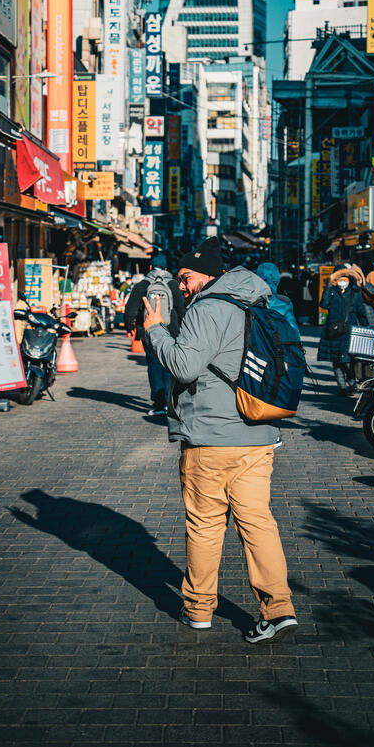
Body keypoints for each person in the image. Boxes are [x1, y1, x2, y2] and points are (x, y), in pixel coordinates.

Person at [142, 236, 297, 644]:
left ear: (208, 274)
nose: (182, 286)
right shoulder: (257, 302)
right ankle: (278, 608)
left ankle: (198, 610)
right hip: (258, 433)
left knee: (206, 525)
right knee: (258, 522)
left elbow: (184, 365)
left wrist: (156, 330)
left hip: (211, 438)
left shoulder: (208, 308)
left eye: (186, 277)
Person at [124, 254, 185, 416]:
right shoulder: (173, 285)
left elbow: (131, 309)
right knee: (169, 365)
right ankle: (169, 401)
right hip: (171, 331)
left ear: (150, 268)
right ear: (166, 269)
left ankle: (158, 403)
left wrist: (130, 327)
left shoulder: (141, 285)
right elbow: (181, 310)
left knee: (154, 365)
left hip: (148, 332)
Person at [317, 267, 370, 393]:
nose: (342, 281)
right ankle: (342, 387)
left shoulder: (354, 293)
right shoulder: (331, 291)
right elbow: (323, 304)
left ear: (349, 279)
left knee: (347, 361)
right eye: (339, 279)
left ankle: (351, 383)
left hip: (349, 331)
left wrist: (366, 326)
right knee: (336, 361)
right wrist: (328, 287)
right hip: (333, 330)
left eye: (344, 279)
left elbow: (361, 311)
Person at [256, 262, 300, 334]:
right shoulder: (285, 303)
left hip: (256, 343)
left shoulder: (249, 300)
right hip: (278, 342)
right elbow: (294, 330)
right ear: (276, 278)